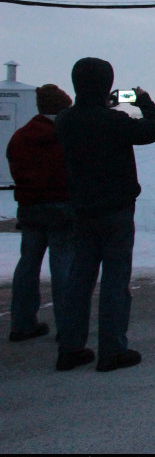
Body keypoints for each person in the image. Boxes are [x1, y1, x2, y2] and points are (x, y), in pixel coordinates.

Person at [55, 58, 155, 372]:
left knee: (79, 280)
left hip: (82, 210)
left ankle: (70, 349)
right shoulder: (114, 121)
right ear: (105, 85)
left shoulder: (65, 120)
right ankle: (112, 350)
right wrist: (144, 101)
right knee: (115, 281)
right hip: (116, 212)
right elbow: (154, 129)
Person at [6, 84, 75, 343]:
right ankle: (68, 326)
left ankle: (21, 323)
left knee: (27, 265)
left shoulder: (21, 136)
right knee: (63, 267)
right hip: (62, 208)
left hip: (30, 208)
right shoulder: (66, 135)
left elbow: (14, 165)